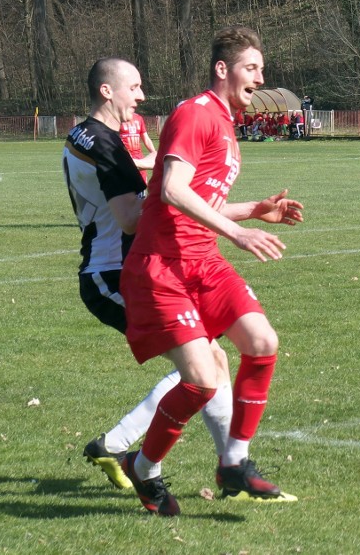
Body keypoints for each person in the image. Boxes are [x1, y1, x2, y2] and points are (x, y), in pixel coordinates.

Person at [119, 25, 304, 516]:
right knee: (201, 381)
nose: (260, 78)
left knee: (262, 342)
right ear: (222, 69)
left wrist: (252, 212)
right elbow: (173, 190)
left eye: (262, 69)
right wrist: (237, 233)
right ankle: (143, 468)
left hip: (203, 259)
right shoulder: (195, 113)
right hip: (163, 265)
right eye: (252, 68)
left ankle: (234, 464)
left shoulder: (227, 125)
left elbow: (199, 198)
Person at [62, 57, 235, 494]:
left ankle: (229, 465)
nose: (141, 96)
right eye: (134, 87)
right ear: (107, 91)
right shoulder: (103, 142)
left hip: (126, 270)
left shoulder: (88, 134)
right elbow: (130, 219)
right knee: (203, 366)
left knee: (210, 361)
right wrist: (166, 180)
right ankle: (225, 466)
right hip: (113, 274)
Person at [119, 113, 157, 182]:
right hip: (125, 159)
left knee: (142, 187)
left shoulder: (138, 118)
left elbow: (146, 138)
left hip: (140, 160)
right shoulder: (118, 117)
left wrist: (154, 154)